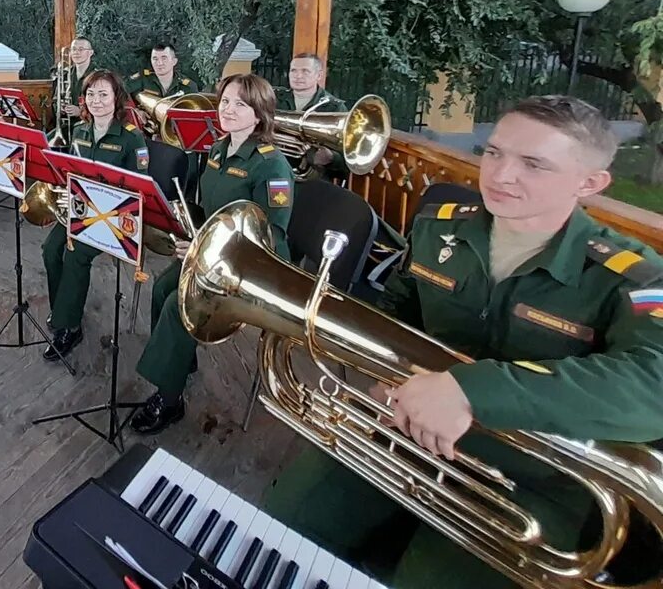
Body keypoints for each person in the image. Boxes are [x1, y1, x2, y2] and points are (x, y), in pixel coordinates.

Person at [261, 95, 663, 589]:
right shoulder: (439, 225)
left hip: (533, 479)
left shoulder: (632, 276)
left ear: (590, 183)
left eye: (533, 163)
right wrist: (387, 375)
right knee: (276, 526)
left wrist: (471, 391)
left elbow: (654, 383)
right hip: (405, 428)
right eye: (493, 153)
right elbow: (401, 310)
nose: (500, 175)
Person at [131, 73, 294, 433]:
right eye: (224, 102)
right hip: (213, 255)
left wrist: (207, 248)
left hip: (249, 269)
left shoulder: (272, 165)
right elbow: (213, 212)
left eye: (241, 104)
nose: (229, 109)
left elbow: (272, 239)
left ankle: (168, 399)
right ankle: (180, 362)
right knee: (162, 287)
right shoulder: (219, 149)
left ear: (260, 114)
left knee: (179, 304)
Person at [41, 70, 149, 360]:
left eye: (104, 94)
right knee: (50, 250)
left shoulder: (131, 137)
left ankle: (69, 327)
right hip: (80, 211)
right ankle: (62, 309)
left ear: (117, 99)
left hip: (113, 218)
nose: (96, 100)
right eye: (91, 94)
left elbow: (140, 189)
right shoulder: (79, 131)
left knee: (75, 255)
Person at [277, 51, 348, 177]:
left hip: (313, 180)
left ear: (319, 75)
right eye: (293, 70)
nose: (298, 76)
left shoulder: (334, 107)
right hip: (275, 172)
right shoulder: (274, 100)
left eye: (305, 71)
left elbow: (348, 162)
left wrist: (331, 158)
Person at [52, 37, 96, 143]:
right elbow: (54, 100)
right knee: (44, 145)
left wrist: (80, 112)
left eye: (81, 49)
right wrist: (60, 107)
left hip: (89, 127)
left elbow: (104, 106)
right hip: (66, 127)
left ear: (90, 53)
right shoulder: (64, 74)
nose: (76, 52)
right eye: (73, 49)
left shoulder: (98, 76)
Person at [126, 43, 199, 99]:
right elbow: (119, 95)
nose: (159, 63)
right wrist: (136, 111)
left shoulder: (188, 87)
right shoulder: (141, 79)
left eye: (164, 58)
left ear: (174, 61)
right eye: (155, 59)